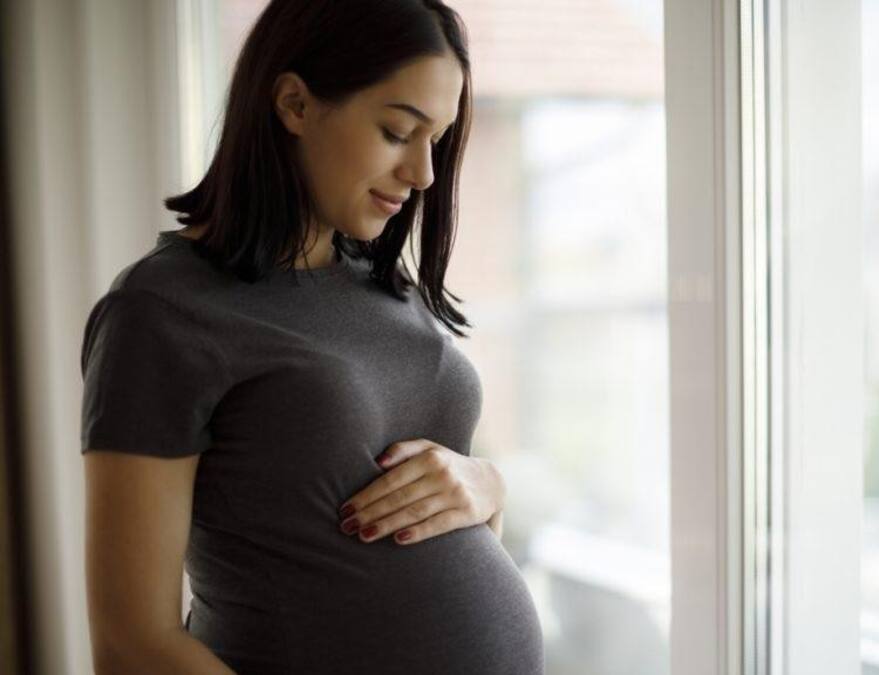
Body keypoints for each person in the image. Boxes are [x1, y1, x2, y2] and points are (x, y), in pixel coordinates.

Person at [79, 1, 544, 673]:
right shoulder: (161, 312)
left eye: (435, 141)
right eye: (397, 131)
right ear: (295, 104)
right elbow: (131, 644)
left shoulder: (385, 286)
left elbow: (433, 533)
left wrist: (485, 485)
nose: (424, 174)